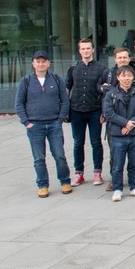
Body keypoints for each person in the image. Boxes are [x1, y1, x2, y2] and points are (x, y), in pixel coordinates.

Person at [16, 51, 72, 198]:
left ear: (48, 63)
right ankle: (42, 185)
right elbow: (19, 103)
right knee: (39, 158)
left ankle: (65, 181)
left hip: (54, 125)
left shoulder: (56, 79)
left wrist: (60, 119)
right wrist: (26, 122)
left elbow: (65, 101)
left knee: (60, 155)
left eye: (43, 61)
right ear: (33, 63)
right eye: (38, 61)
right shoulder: (26, 81)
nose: (41, 64)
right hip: (35, 126)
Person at [102, 65, 135, 202]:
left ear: (133, 77)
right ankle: (117, 189)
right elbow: (109, 113)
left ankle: (134, 187)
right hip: (117, 135)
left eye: (129, 75)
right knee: (117, 165)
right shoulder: (111, 94)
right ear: (118, 77)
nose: (126, 78)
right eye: (123, 76)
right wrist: (125, 123)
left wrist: (131, 124)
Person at [67, 38, 108, 186]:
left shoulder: (102, 68)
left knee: (96, 142)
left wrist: (104, 112)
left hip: (95, 110)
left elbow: (105, 92)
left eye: (88, 48)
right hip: (76, 110)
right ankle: (79, 173)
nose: (86, 51)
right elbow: (67, 88)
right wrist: (66, 110)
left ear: (93, 50)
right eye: (83, 48)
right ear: (79, 51)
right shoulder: (73, 68)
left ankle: (97, 172)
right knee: (78, 143)